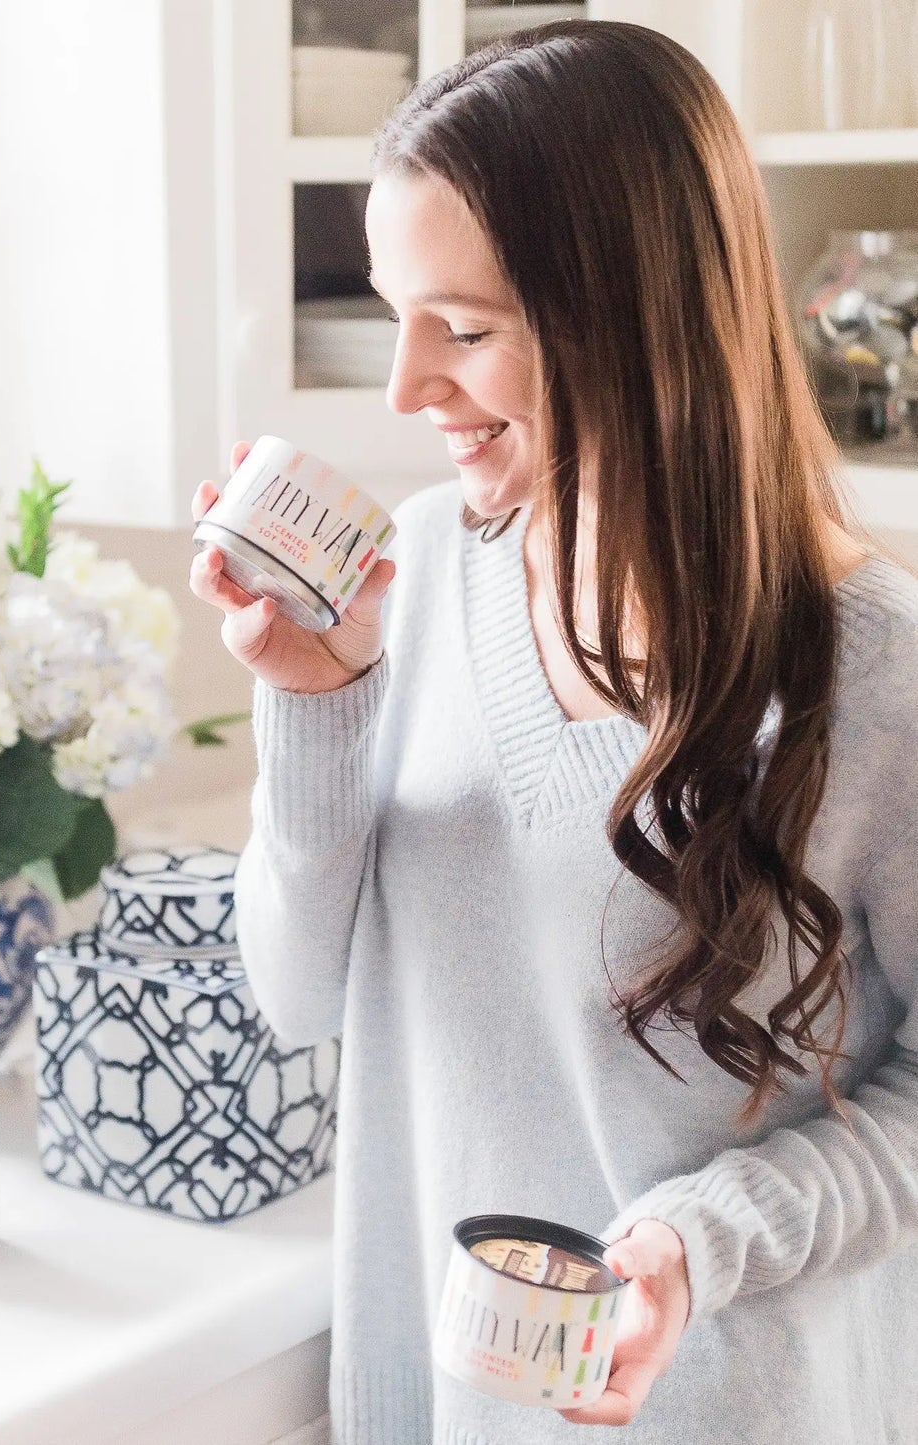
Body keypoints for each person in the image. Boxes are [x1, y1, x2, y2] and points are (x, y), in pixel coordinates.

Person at [190, 19, 918, 1445]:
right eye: (391, 311)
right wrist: (317, 700)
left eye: (462, 330)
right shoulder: (407, 573)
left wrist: (700, 1241)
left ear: (636, 315)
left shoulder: (866, 673)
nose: (405, 388)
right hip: (432, 1406)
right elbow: (290, 997)